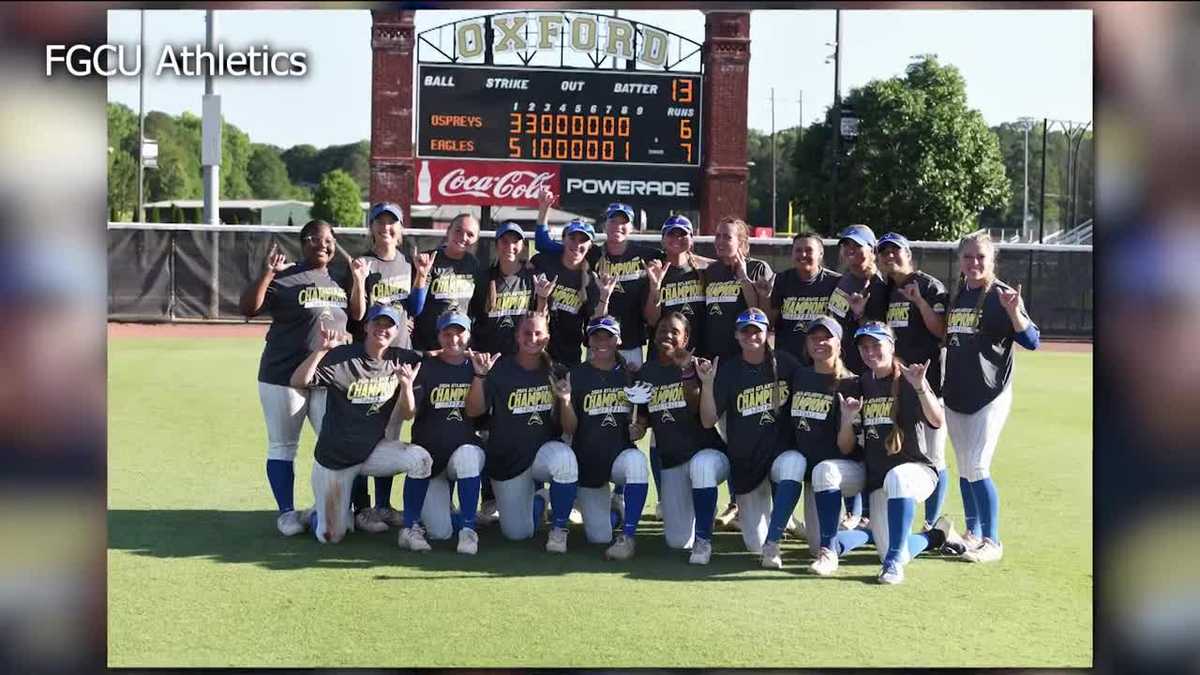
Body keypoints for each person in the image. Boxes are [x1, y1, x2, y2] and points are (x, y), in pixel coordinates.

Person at [812, 322, 963, 583]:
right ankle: (830, 550)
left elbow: (937, 421)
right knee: (824, 471)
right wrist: (848, 419)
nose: (870, 352)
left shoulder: (908, 378)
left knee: (898, 480)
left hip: (916, 472)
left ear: (891, 346)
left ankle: (893, 564)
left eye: (876, 345)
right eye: (864, 347)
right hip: (876, 479)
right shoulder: (857, 385)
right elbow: (846, 447)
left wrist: (920, 386)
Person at [238, 219, 351, 536]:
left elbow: (352, 320)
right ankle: (286, 513)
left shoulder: (338, 280)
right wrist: (268, 274)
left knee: (332, 444)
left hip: (325, 378)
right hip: (283, 374)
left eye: (329, 239)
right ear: (304, 243)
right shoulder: (286, 276)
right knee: (283, 445)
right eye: (315, 239)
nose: (323, 244)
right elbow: (248, 307)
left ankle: (326, 508)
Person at [287, 304, 433, 546]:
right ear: (366, 326)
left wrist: (406, 386)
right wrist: (321, 351)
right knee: (332, 536)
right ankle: (314, 514)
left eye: (389, 326)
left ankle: (411, 527)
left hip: (372, 451)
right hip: (335, 458)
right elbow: (297, 380)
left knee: (421, 460)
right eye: (377, 324)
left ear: (398, 331)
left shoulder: (403, 359)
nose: (382, 330)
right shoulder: (342, 357)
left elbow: (408, 414)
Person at [943, 231, 1040, 563]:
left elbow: (1032, 341)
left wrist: (1014, 312)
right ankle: (972, 534)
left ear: (992, 260)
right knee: (966, 469)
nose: (973, 263)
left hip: (990, 394)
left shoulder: (1002, 295)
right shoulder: (958, 295)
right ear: (960, 260)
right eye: (968, 257)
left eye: (980, 257)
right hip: (955, 395)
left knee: (979, 466)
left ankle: (992, 541)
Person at [346, 202, 433, 534]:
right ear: (371, 228)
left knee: (391, 437)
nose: (386, 228)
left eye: (391, 223)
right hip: (369, 364)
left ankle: (383, 506)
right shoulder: (362, 263)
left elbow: (416, 308)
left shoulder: (406, 263)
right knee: (361, 434)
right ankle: (363, 507)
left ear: (400, 228)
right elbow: (356, 315)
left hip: (400, 360)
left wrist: (422, 276)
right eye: (379, 223)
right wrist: (357, 280)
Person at [697, 307, 806, 567]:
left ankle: (775, 539)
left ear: (768, 333)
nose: (751, 336)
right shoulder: (730, 369)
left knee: (793, 462)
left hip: (779, 456)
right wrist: (708, 383)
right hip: (747, 462)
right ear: (737, 335)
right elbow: (708, 420)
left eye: (757, 330)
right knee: (753, 544)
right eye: (745, 331)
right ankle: (771, 529)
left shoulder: (787, 363)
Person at [465, 312, 580, 552]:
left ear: (547, 338)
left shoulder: (556, 371)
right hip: (508, 460)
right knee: (518, 534)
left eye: (538, 333)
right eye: (527, 333)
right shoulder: (500, 369)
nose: (532, 338)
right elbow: (475, 411)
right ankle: (539, 501)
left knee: (565, 459)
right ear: (517, 336)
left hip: (542, 454)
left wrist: (566, 400)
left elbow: (570, 429)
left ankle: (559, 529)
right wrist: (480, 376)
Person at [632, 311, 729, 564]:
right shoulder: (647, 371)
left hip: (707, 453)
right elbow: (643, 420)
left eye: (675, 331)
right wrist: (634, 429)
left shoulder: (700, 366)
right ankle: (701, 509)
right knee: (676, 541)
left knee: (702, 467)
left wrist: (687, 371)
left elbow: (699, 408)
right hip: (673, 460)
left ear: (685, 338)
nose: (667, 335)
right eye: (662, 330)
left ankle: (704, 539)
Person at [874, 232, 952, 531]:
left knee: (934, 455)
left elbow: (940, 332)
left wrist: (919, 301)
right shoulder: (887, 291)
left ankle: (931, 523)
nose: (889, 257)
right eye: (884, 253)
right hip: (896, 387)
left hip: (927, 386)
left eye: (895, 251)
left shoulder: (930, 286)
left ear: (908, 253)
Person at [391, 311, 487, 554]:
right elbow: (408, 414)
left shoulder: (479, 366)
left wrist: (479, 376)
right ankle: (437, 518)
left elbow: (476, 412)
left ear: (468, 335)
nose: (453, 338)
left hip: (463, 454)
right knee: (440, 532)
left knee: (467, 455)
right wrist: (406, 387)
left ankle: (468, 528)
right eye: (447, 333)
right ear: (439, 336)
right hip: (431, 462)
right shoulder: (425, 367)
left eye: (459, 332)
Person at [534, 190, 662, 368]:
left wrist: (705, 263)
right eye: (613, 221)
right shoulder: (590, 252)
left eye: (624, 222)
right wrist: (543, 209)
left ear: (632, 228)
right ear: (604, 226)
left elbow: (677, 253)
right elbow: (543, 243)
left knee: (633, 393)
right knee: (596, 392)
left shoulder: (645, 255)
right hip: (598, 340)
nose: (618, 225)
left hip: (631, 342)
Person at [700, 217, 773, 529]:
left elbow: (761, 313)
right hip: (718, 366)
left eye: (727, 237)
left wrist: (744, 276)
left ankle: (760, 500)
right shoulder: (712, 271)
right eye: (717, 236)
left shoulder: (758, 269)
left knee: (754, 435)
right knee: (728, 433)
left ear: (744, 243)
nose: (719, 241)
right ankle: (735, 501)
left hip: (750, 367)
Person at [559, 315, 652, 560]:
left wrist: (640, 427)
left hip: (619, 455)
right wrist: (566, 402)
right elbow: (569, 429)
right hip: (588, 461)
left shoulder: (630, 374)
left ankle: (628, 535)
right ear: (588, 341)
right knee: (599, 536)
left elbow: (642, 416)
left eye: (608, 336)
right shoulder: (575, 375)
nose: (601, 341)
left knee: (637, 462)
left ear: (618, 340)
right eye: (596, 336)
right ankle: (614, 513)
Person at [785, 316, 863, 563]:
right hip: (812, 475)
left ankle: (866, 532)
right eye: (813, 338)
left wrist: (848, 419)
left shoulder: (850, 383)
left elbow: (847, 447)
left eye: (826, 338)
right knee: (814, 546)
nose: (819, 343)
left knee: (823, 544)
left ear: (839, 344)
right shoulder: (800, 376)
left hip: (839, 471)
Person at [530, 219, 601, 366]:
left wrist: (604, 296)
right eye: (572, 238)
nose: (577, 244)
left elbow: (593, 320)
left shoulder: (591, 280)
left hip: (570, 353)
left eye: (583, 240)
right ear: (563, 239)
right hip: (537, 346)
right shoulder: (544, 262)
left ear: (590, 245)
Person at [766, 232, 842, 362]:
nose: (803, 255)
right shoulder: (781, 280)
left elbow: (841, 325)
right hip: (787, 359)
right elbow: (770, 322)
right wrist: (765, 296)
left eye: (808, 250)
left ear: (821, 254)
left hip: (822, 360)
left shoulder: (835, 282)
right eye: (798, 250)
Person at [412, 213, 483, 352]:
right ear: (448, 231)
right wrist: (421, 274)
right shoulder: (430, 259)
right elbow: (415, 308)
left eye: (470, 234)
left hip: (458, 347)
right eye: (458, 231)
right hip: (428, 346)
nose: (463, 237)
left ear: (476, 239)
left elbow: (477, 309)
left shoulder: (474, 265)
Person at [827, 224, 890, 375]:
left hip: (863, 369)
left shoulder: (879, 286)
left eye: (857, 245)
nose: (850, 249)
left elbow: (880, 335)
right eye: (846, 245)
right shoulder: (844, 279)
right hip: (838, 364)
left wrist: (859, 314)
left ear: (872, 250)